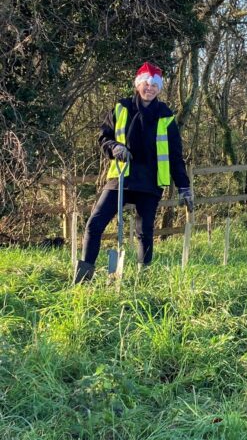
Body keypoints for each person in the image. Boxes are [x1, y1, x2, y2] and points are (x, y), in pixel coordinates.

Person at [73, 62, 194, 282]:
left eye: (155, 85)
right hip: (121, 177)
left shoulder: (166, 116)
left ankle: (143, 278)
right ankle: (83, 278)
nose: (150, 88)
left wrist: (184, 187)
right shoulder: (121, 108)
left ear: (159, 88)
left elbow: (176, 156)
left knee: (144, 232)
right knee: (95, 223)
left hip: (150, 182)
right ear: (138, 84)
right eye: (146, 83)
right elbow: (104, 136)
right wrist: (114, 147)